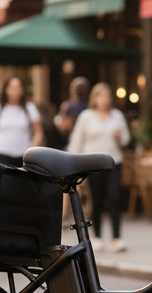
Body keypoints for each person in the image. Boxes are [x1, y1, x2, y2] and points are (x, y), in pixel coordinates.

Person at [69, 82, 130, 252]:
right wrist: (74, 168)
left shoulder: (117, 115)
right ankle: (96, 237)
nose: (105, 100)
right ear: (94, 99)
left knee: (115, 198)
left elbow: (126, 139)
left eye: (108, 96)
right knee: (96, 200)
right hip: (93, 165)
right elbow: (76, 142)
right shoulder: (86, 117)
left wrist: (119, 137)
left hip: (114, 163)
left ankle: (117, 237)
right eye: (101, 96)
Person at [0, 75, 43, 166]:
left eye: (18, 87)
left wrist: (33, 148)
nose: (15, 90)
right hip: (0, 154)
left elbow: (38, 132)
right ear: (6, 90)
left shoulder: (30, 108)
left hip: (23, 155)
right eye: (12, 87)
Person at [51, 76, 91, 150]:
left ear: (74, 91)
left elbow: (64, 127)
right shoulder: (91, 106)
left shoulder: (69, 106)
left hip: (74, 142)